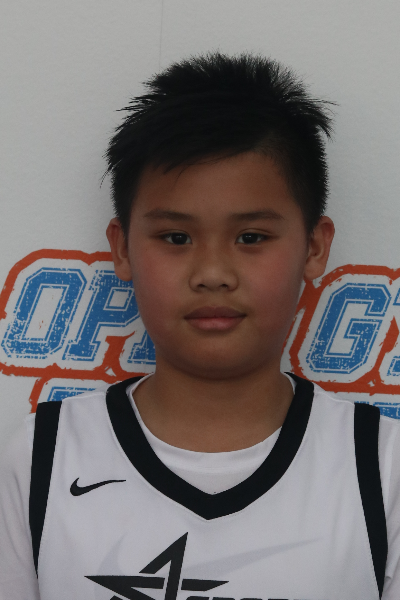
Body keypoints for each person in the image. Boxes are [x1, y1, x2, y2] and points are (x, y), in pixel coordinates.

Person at [0, 52, 399, 600]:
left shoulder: (382, 466)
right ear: (122, 248)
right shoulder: (43, 455)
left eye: (251, 237)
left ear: (313, 247)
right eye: (177, 238)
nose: (213, 273)